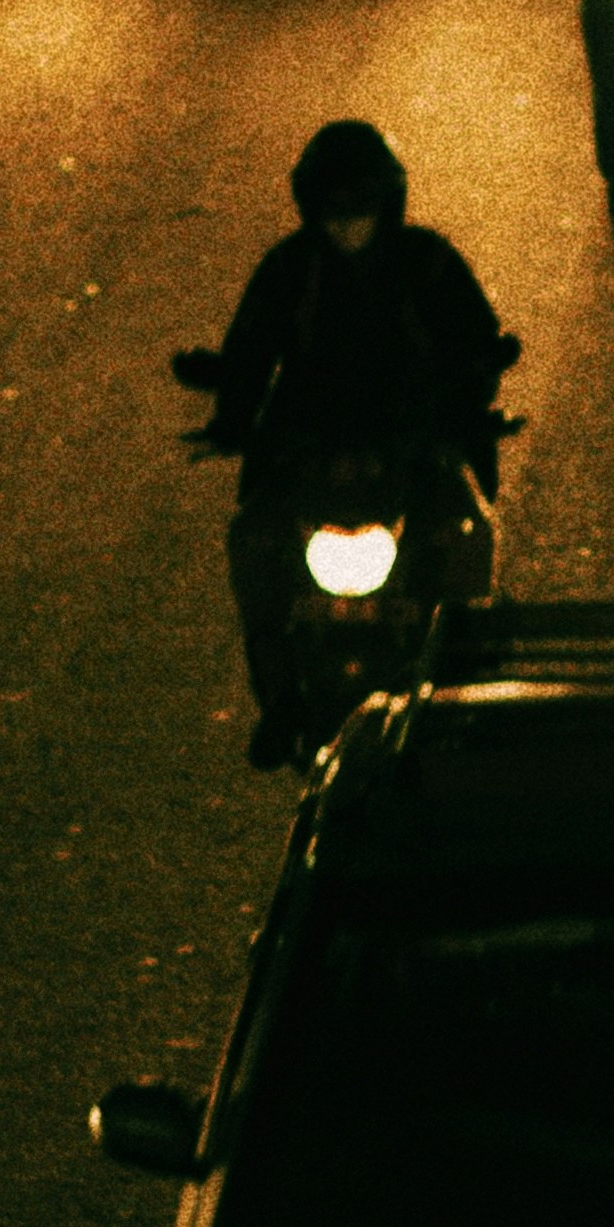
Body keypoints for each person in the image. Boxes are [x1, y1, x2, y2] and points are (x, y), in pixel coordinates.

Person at [184, 121, 513, 764]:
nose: (346, 223)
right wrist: (232, 411)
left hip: (412, 448)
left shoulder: (429, 262)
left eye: (359, 207)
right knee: (253, 540)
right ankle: (278, 698)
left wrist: (471, 395)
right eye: (333, 209)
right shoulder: (289, 268)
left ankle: (469, 683)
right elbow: (251, 346)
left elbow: (477, 340)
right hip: (308, 451)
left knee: (467, 534)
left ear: (387, 203)